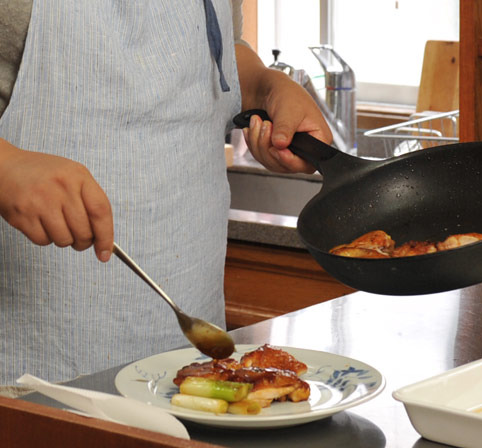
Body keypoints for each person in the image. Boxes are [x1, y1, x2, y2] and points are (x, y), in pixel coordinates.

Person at [0, 0, 331, 396]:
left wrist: (265, 85)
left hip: (189, 357)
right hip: (32, 360)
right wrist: (5, 166)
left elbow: (220, 50)